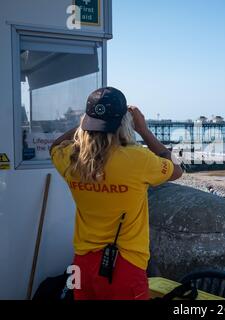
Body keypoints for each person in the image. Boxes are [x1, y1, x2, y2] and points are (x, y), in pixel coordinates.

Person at [49, 87, 183, 300]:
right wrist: (144, 130)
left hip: (82, 264)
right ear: (123, 122)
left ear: (86, 121)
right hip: (126, 265)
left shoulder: (72, 159)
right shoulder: (138, 159)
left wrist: (87, 120)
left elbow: (55, 146)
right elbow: (176, 169)